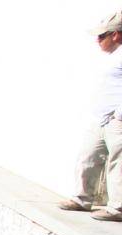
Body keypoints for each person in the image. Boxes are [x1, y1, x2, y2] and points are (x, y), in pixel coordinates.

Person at [58, 11, 122, 221]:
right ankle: (82, 199)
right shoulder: (112, 56)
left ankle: (118, 209)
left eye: (102, 35)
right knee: (88, 157)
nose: (97, 40)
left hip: (116, 121)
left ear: (115, 34)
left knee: (118, 163)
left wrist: (119, 115)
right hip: (100, 119)